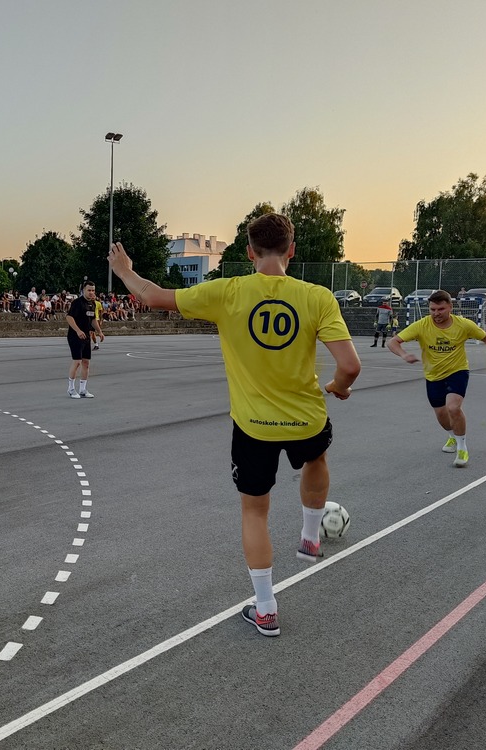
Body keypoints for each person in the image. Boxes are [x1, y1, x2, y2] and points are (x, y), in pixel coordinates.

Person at [109, 213, 361, 638]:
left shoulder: (228, 292)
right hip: (306, 417)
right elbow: (350, 366)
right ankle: (310, 537)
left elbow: (152, 296)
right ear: (291, 250)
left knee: (254, 511)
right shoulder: (317, 297)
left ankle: (265, 609)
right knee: (316, 457)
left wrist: (125, 271)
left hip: (254, 426)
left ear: (248, 252)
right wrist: (337, 386)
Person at [387, 290, 486, 468]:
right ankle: (452, 436)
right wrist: (404, 355)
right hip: (433, 375)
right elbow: (392, 342)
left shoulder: (464, 325)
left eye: (440, 309)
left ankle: (462, 447)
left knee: (453, 408)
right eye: (432, 309)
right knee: (441, 415)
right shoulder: (421, 325)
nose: (436, 313)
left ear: (450, 307)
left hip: (457, 371)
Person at [65, 281, 103, 398]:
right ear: (83, 291)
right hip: (75, 336)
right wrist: (78, 330)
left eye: (93, 290)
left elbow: (93, 320)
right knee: (77, 362)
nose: (91, 292)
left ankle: (83, 389)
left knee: (86, 363)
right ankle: (71, 388)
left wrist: (100, 331)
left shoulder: (92, 304)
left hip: (86, 336)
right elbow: (69, 317)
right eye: (89, 290)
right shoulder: (77, 303)